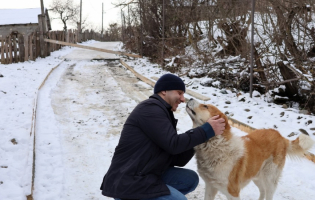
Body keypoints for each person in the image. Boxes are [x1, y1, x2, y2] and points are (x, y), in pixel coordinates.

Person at [100, 73, 225, 200]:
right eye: (179, 93)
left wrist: (200, 136)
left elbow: (178, 159)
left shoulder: (163, 113)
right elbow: (173, 144)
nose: (183, 99)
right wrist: (204, 131)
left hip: (148, 172)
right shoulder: (150, 109)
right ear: (164, 91)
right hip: (130, 179)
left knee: (189, 179)